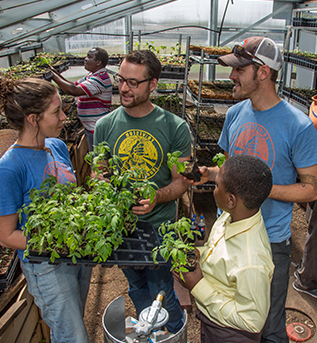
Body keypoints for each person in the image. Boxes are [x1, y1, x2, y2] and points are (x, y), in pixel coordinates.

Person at [189, 36, 317, 342]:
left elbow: (310, 191)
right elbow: (232, 173)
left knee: (269, 325)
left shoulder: (298, 126)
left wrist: (258, 189)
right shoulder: (235, 115)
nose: (232, 76)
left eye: (239, 69)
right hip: (226, 231)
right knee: (225, 308)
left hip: (269, 241)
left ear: (262, 72)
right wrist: (211, 175)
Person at [0, 76, 92, 343]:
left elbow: (69, 195)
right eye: (56, 111)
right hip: (47, 267)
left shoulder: (55, 147)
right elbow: (6, 236)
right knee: (72, 337)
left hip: (76, 254)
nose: (65, 117)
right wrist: (58, 241)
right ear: (33, 119)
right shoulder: (8, 170)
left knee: (72, 324)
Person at [93, 49, 192, 334]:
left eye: (133, 82)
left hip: (158, 228)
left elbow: (181, 181)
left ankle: (171, 333)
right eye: (121, 79)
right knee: (136, 285)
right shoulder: (104, 126)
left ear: (153, 84)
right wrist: (108, 190)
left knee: (162, 288)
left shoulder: (175, 128)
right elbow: (99, 174)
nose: (123, 87)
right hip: (120, 229)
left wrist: (156, 197)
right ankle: (149, 331)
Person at [176, 155, 274, 342]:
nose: (213, 190)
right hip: (214, 318)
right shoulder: (233, 216)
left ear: (231, 200)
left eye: (216, 185)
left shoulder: (252, 262)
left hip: (229, 332)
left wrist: (198, 286)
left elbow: (251, 321)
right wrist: (200, 253)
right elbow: (219, 250)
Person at [50, 47, 112, 151]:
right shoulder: (91, 75)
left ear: (98, 62)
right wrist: (53, 72)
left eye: (89, 57)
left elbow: (73, 90)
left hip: (96, 129)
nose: (85, 59)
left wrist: (52, 75)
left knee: (99, 161)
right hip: (90, 127)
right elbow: (72, 85)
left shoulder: (100, 79)